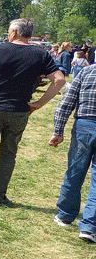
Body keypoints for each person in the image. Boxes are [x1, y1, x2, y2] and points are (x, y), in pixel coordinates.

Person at [0, 18, 65, 206]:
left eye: (8, 31)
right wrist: (39, 103)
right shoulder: (41, 54)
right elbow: (60, 80)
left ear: (14, 32)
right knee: (8, 155)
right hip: (19, 111)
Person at [49, 61, 96, 241]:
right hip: (85, 124)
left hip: (84, 126)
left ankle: (66, 215)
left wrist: (58, 132)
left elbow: (66, 103)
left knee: (75, 171)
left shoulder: (86, 72)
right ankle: (89, 226)